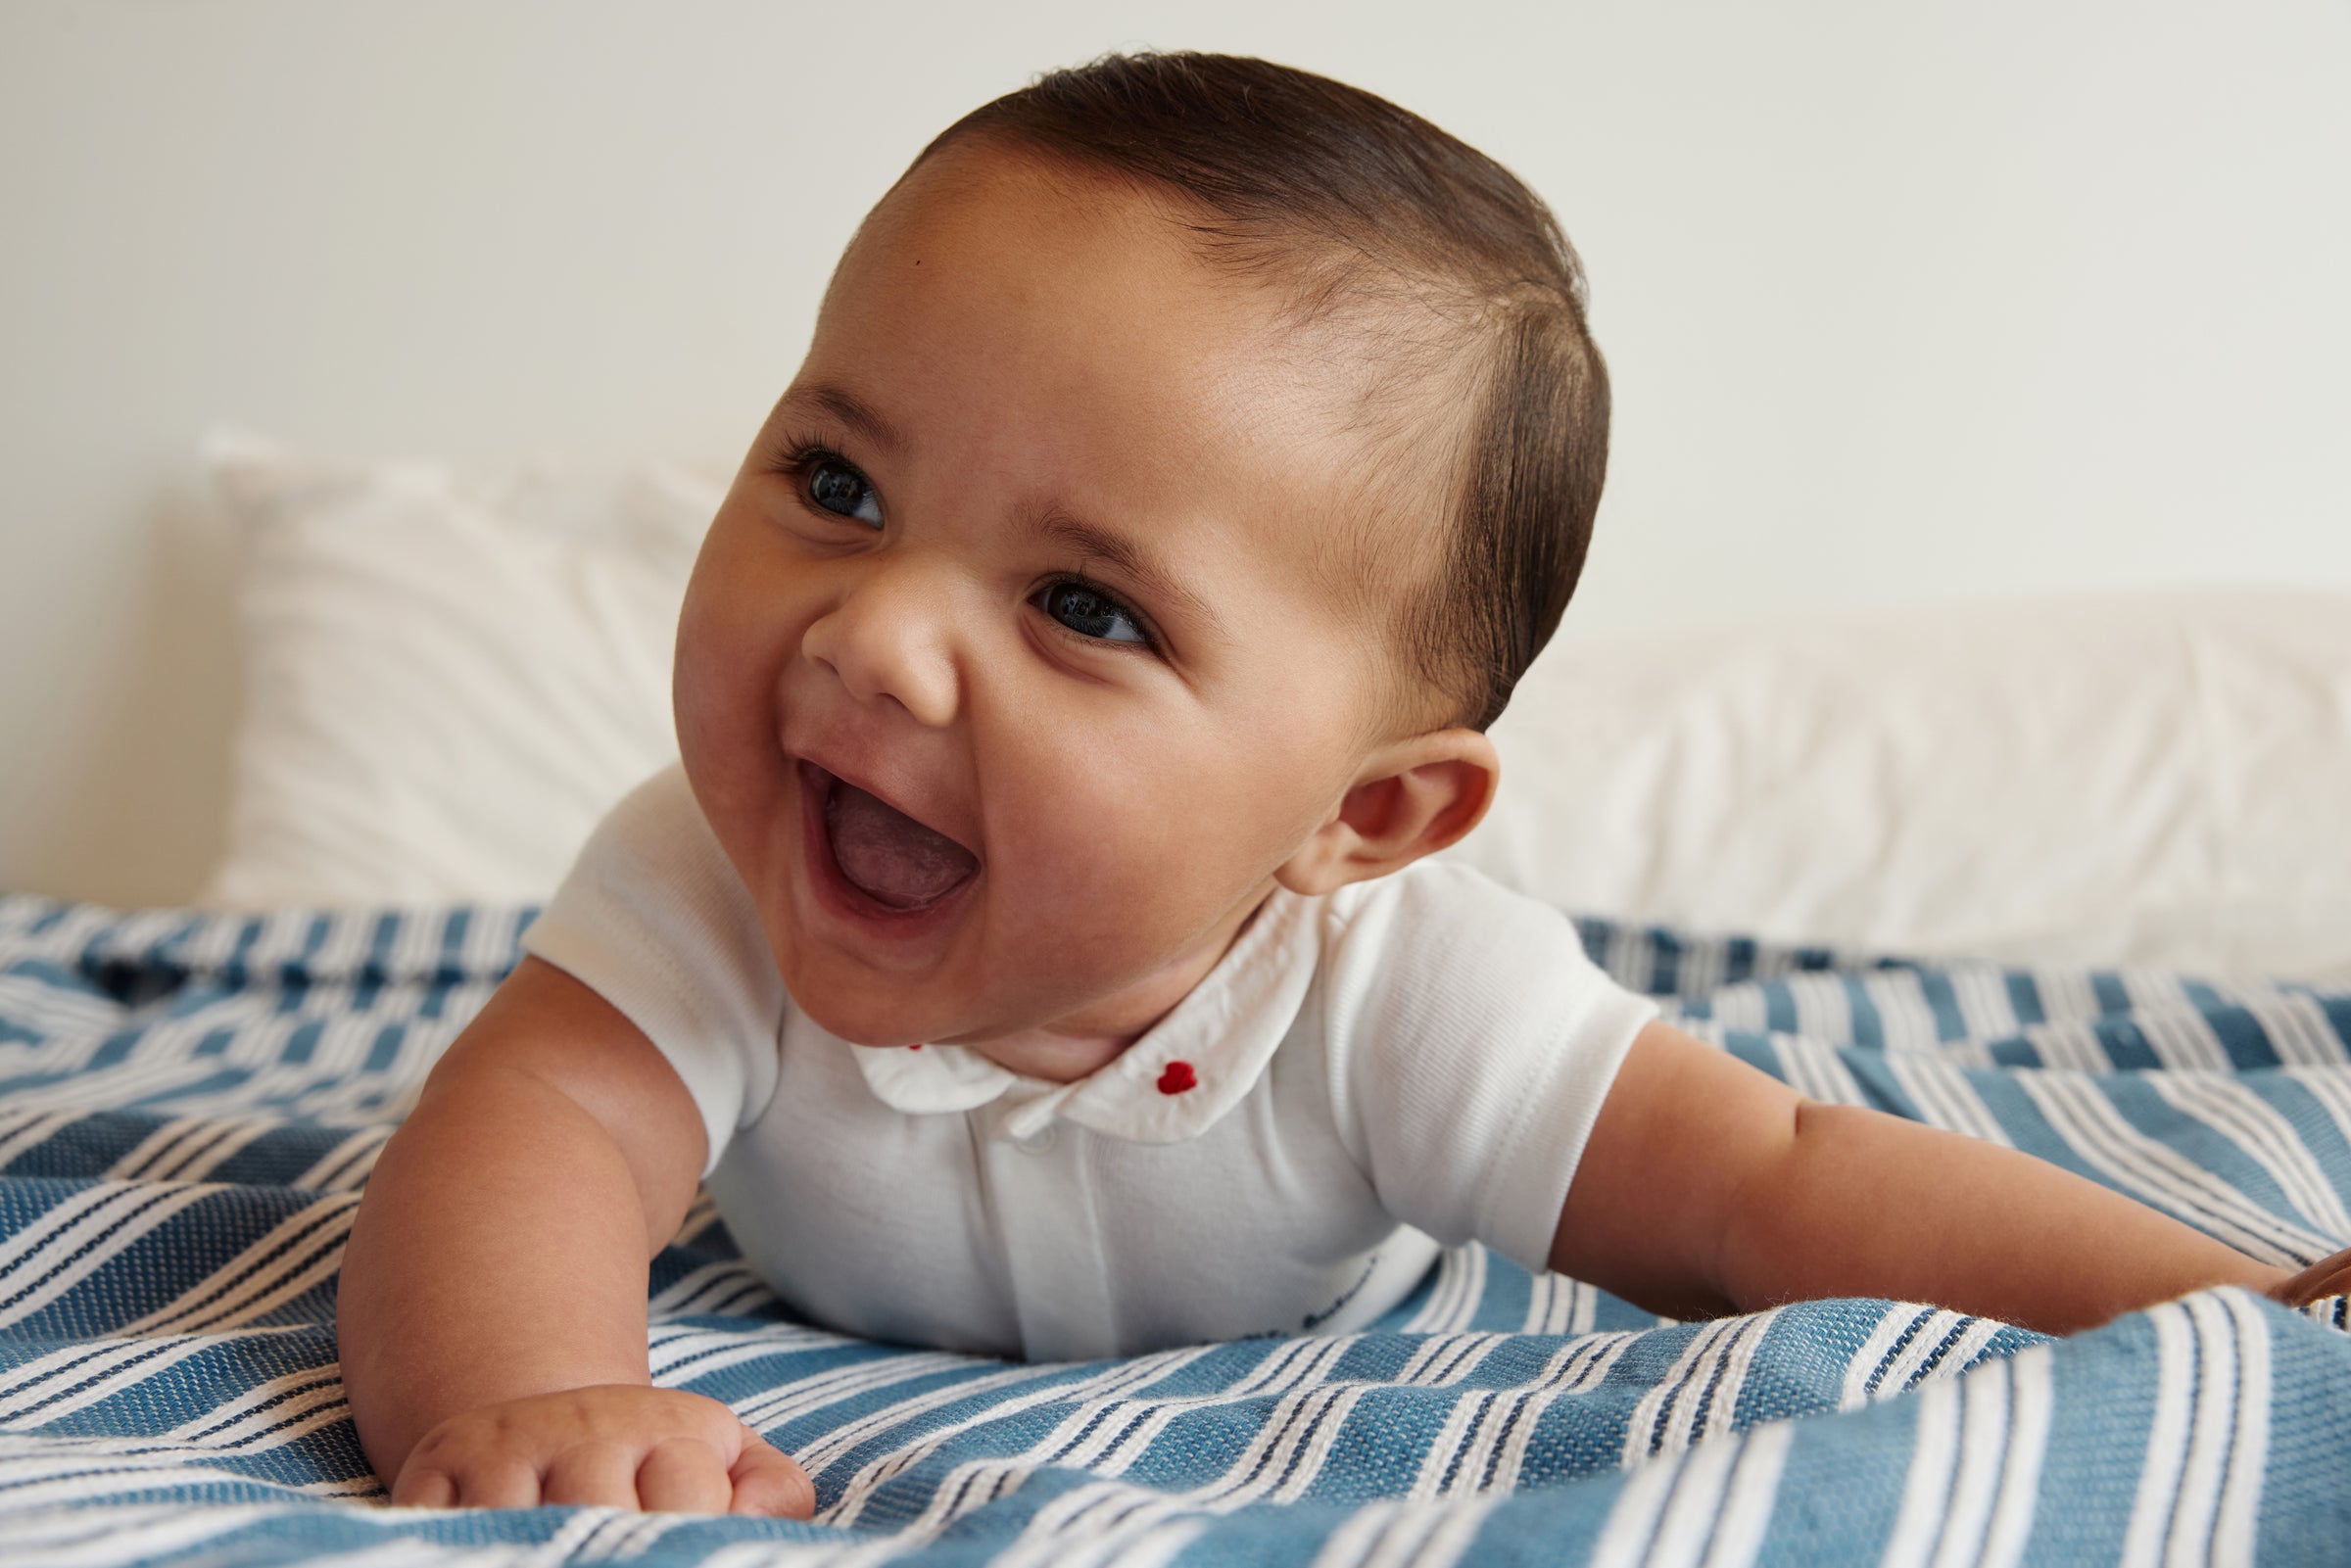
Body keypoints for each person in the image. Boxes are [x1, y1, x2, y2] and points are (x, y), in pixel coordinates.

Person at [335, 52, 2336, 1521]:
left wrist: (2243, 1308)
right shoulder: (708, 869)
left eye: (1081, 605)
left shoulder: (1403, 997)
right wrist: (537, 1388)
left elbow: (1770, 1186)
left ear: (1358, 823)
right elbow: (530, 1135)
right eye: (839, 485)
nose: (878, 639)